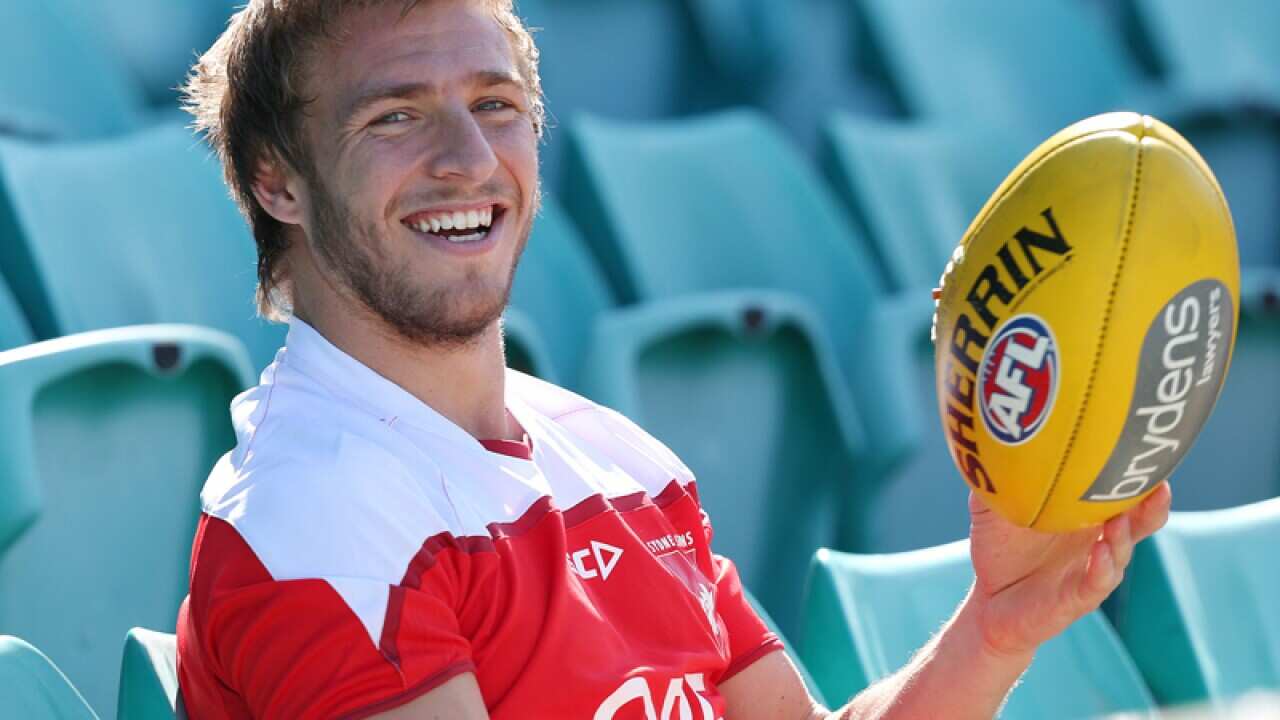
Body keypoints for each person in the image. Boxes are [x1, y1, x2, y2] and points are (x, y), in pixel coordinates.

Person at [175, 1, 1172, 718]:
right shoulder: (311, 520)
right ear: (278, 184)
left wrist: (991, 628)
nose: (470, 159)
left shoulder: (615, 459)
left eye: (495, 104)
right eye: (394, 116)